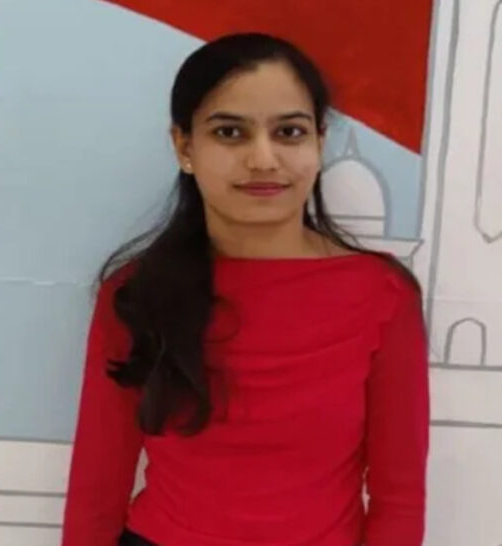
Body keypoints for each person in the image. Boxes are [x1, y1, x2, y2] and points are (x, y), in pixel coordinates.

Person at [61, 32, 429, 546]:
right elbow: (96, 492)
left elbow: (399, 497)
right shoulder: (136, 295)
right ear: (184, 147)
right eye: (230, 132)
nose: (263, 159)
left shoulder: (383, 294)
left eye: (289, 132)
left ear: (320, 142)